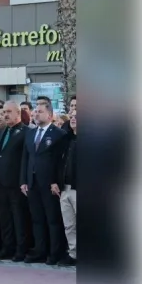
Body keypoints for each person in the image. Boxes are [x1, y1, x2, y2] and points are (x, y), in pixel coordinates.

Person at [21, 98, 70, 265]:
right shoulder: (30, 133)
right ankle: (40, 250)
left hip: (49, 184)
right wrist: (24, 180)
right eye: (35, 111)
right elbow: (26, 158)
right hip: (32, 182)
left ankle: (54, 252)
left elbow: (59, 162)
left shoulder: (58, 134)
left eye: (40, 111)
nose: (35, 114)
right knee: (37, 219)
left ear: (50, 115)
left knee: (52, 220)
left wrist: (56, 181)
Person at [0, 102, 31, 261]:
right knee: (4, 218)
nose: (5, 115)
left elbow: (25, 159)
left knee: (19, 218)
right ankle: (7, 247)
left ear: (18, 113)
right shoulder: (0, 132)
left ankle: (21, 249)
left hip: (15, 182)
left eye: (8, 112)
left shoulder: (26, 132)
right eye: (4, 112)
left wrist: (23, 180)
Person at [59, 110, 76, 265]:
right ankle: (73, 254)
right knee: (69, 224)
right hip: (65, 187)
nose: (73, 119)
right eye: (72, 117)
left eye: (77, 117)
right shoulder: (66, 139)